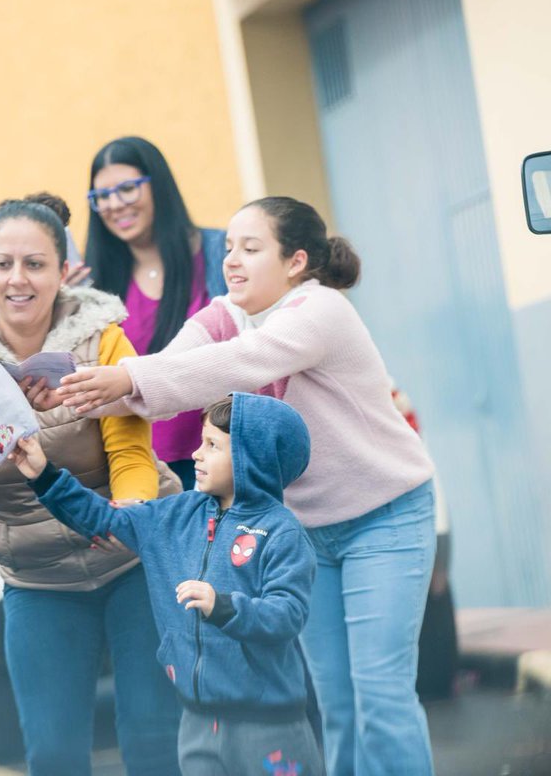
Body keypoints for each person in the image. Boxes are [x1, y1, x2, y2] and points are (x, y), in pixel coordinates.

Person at [59, 196, 437, 776]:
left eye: (251, 248)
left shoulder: (320, 310)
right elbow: (170, 375)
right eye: (230, 247)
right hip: (307, 533)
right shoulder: (223, 315)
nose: (231, 260)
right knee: (335, 704)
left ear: (296, 261)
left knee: (381, 697)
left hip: (384, 517)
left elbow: (243, 361)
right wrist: (84, 390)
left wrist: (127, 377)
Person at [0, 192, 182, 775]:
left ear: (62, 272)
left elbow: (131, 456)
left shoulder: (104, 340)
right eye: (3, 264)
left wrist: (125, 519)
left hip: (133, 559)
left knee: (152, 742)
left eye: (35, 264)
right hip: (38, 577)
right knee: (52, 754)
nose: (17, 279)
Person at [12, 394, 324, 776]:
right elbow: (101, 518)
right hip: (196, 721)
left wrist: (223, 606)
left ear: (251, 458)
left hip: (270, 727)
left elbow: (287, 615)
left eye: (212, 445)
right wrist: (43, 475)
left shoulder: (282, 532)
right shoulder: (174, 514)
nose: (196, 454)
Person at [69, 136, 229, 489]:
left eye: (127, 189)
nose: (115, 205)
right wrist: (63, 303)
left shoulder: (221, 253)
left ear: (158, 185)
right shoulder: (95, 285)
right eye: (102, 196)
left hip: (226, 460)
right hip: (144, 471)